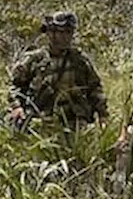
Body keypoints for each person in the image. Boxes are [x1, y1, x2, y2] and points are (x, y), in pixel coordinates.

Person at [7, 10, 108, 145]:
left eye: (69, 32)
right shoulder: (34, 59)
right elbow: (15, 86)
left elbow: (95, 88)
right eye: (62, 32)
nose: (66, 37)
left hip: (75, 124)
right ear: (50, 33)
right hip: (42, 122)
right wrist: (17, 107)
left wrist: (103, 115)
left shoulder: (79, 60)